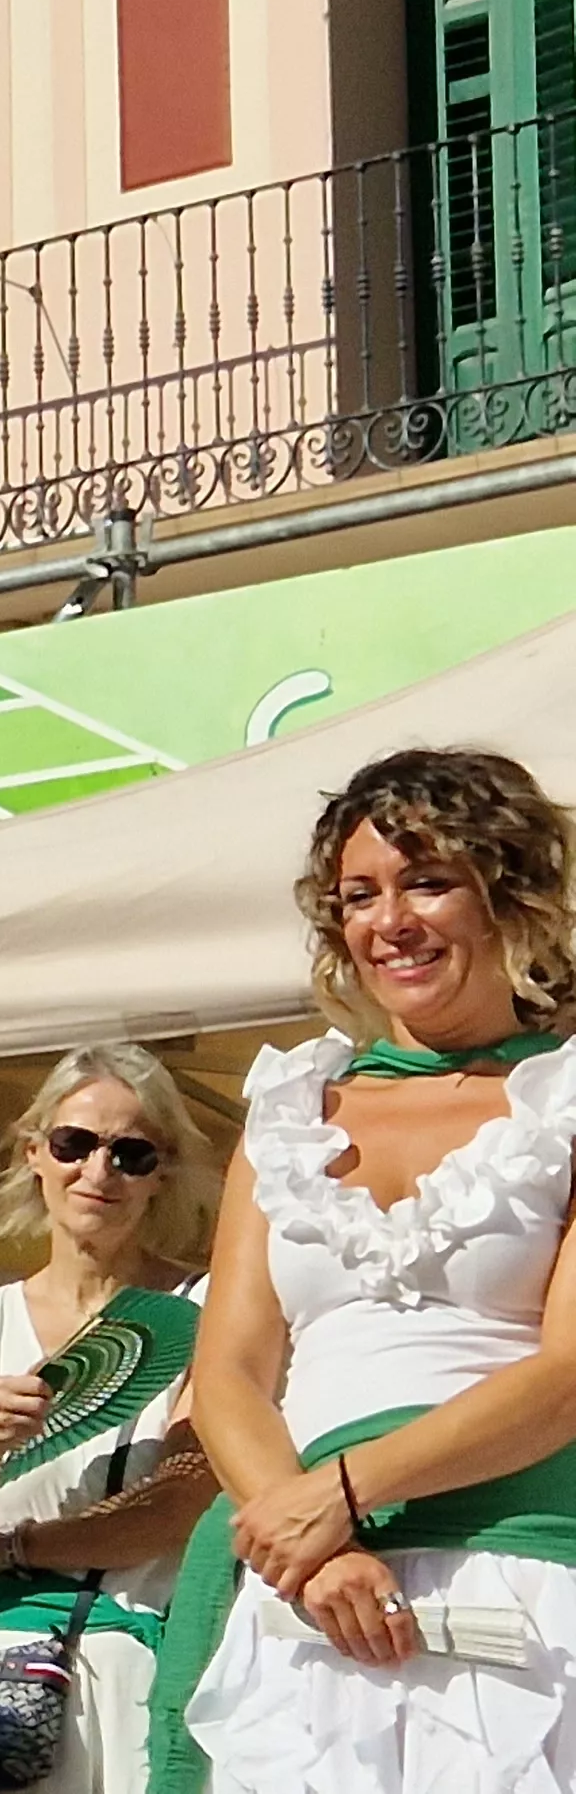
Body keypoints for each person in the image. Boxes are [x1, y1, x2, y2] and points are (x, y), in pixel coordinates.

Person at [159, 749, 576, 1791]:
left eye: (426, 882)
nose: (390, 922)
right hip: (307, 1591)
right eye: (358, 896)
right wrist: (309, 1545)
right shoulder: (289, 1113)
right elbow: (229, 1374)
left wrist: (344, 1493)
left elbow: (569, 1373)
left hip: (519, 1580)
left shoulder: (566, 1098)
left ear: (511, 894)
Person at [0, 1043, 218, 1794]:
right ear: (34, 1152)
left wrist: (13, 1548)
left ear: (162, 1173)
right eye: (75, 1143)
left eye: (131, 1153)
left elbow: (175, 1509)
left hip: (144, 1662)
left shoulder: (200, 1311)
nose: (99, 1171)